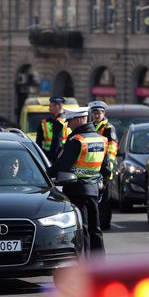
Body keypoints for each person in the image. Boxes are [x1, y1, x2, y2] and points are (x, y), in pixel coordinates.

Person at [48, 107, 109, 257]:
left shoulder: (77, 141)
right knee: (96, 229)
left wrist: (45, 175)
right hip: (94, 190)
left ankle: (87, 266)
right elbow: (106, 169)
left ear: (78, 120)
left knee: (84, 228)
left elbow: (62, 165)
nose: (68, 126)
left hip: (76, 190)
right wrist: (100, 186)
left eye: (70, 122)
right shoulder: (101, 139)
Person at [88, 101, 118, 231]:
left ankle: (105, 223)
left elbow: (112, 148)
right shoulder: (92, 126)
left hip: (105, 167)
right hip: (94, 166)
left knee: (105, 199)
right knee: (96, 197)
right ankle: (97, 222)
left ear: (103, 113)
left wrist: (108, 167)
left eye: (99, 113)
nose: (96, 115)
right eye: (94, 113)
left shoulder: (108, 128)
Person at [36, 96, 70, 163]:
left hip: (54, 156)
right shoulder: (69, 120)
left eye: (50, 106)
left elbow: (56, 142)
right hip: (63, 156)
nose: (49, 109)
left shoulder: (58, 122)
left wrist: (51, 158)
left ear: (57, 106)